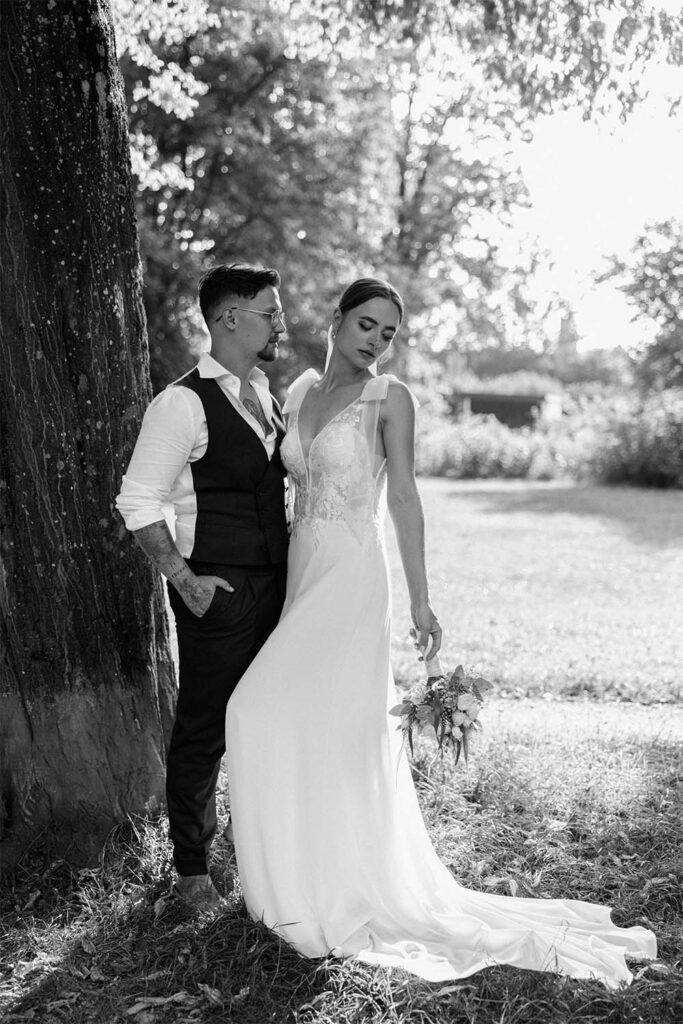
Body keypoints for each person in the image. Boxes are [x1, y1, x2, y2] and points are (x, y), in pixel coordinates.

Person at [224, 277, 657, 987]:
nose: (375, 340)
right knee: (300, 722)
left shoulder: (389, 398)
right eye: (366, 323)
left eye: (388, 332)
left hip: (352, 577)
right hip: (300, 573)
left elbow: (402, 495)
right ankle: (301, 876)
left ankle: (332, 886)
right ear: (335, 319)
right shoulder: (296, 392)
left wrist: (422, 603)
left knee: (258, 710)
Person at [116, 263, 289, 913]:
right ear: (229, 318)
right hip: (217, 593)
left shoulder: (265, 395)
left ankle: (257, 851)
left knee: (265, 720)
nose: (279, 323)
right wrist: (184, 580)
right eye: (269, 312)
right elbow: (137, 500)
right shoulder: (182, 402)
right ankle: (191, 871)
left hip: (278, 587)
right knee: (205, 728)